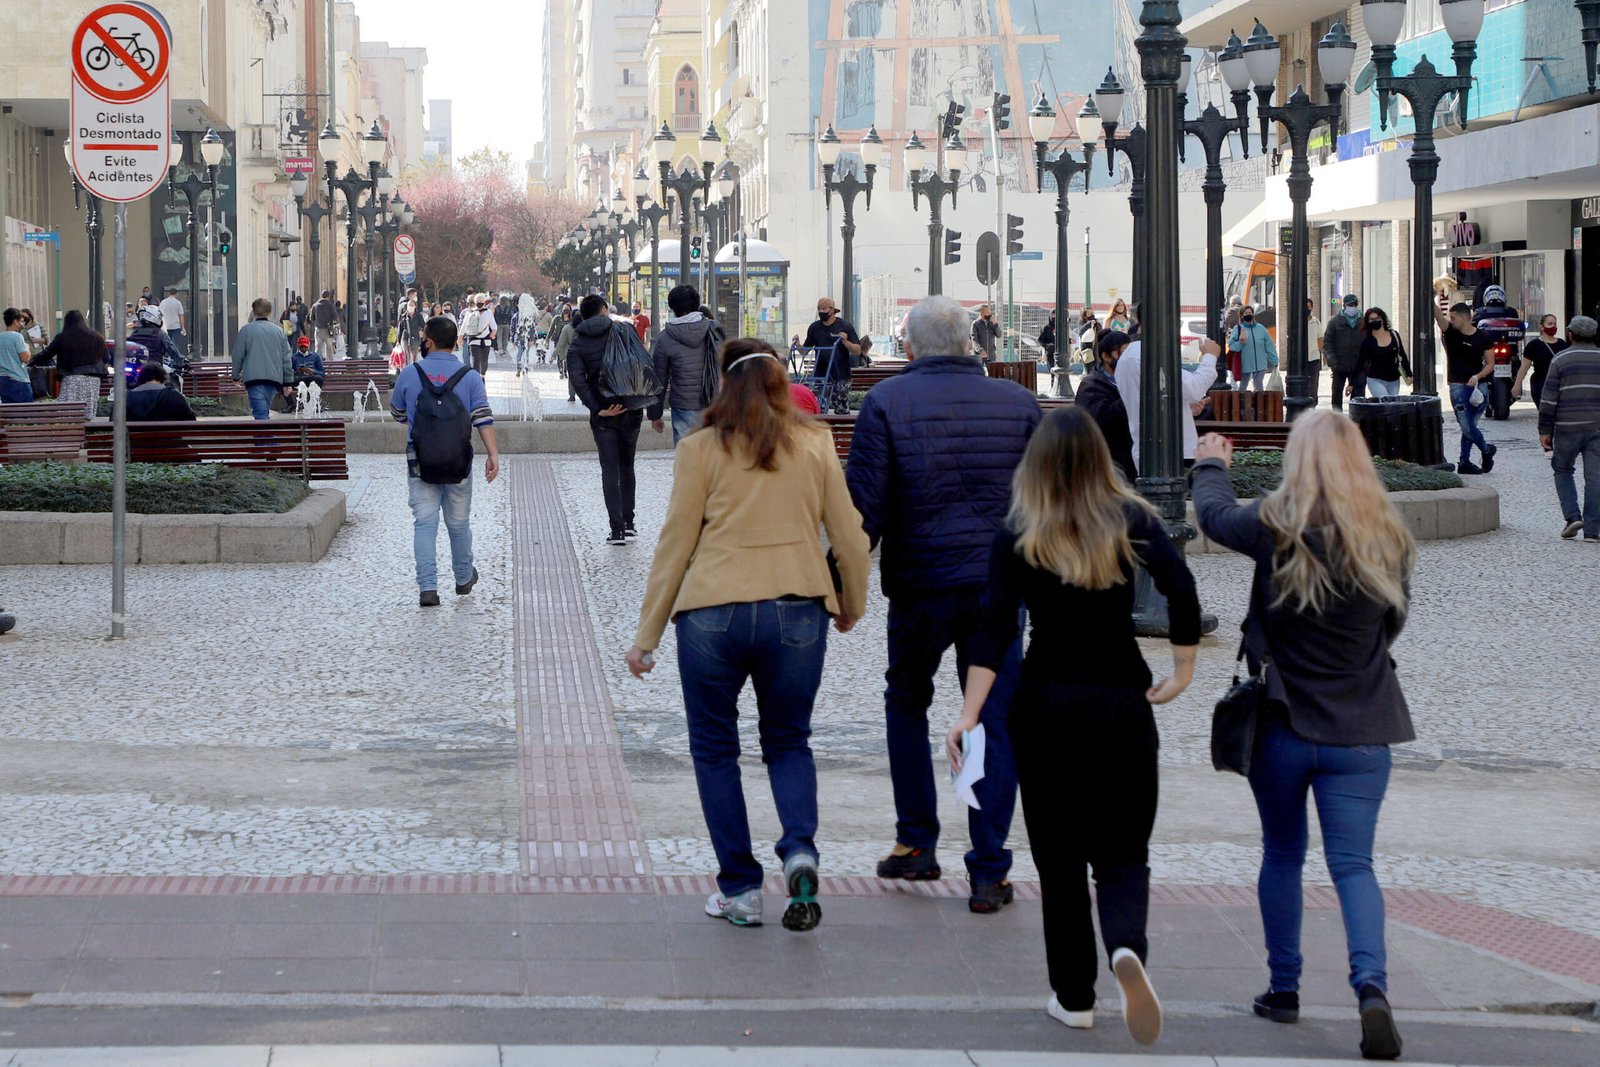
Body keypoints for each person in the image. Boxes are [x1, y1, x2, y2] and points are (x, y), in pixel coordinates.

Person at [948, 406, 1197, 1045]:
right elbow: (1181, 586)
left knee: (1059, 863)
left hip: (1045, 707)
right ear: (1098, 458)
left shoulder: (1018, 532)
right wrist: (1182, 669)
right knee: (1122, 852)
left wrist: (969, 714)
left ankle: (1075, 997)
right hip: (1121, 700)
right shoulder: (1132, 519)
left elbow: (994, 627)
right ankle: (1125, 946)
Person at [1193, 412, 1417, 1063]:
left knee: (1283, 853)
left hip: (1283, 724)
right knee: (1355, 865)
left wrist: (1212, 461)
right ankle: (1371, 986)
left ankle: (1284, 987)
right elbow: (1392, 624)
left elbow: (1210, 516)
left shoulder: (1274, 524)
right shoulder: (1389, 536)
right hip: (1361, 729)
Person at [626, 337, 871, 930]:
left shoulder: (700, 448)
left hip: (712, 611)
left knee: (715, 750)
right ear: (781, 385)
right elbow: (851, 535)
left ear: (724, 386)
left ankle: (739, 888)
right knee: (789, 741)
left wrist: (647, 635)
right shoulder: (814, 444)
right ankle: (801, 850)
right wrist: (849, 603)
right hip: (797, 610)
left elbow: (675, 544)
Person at [846, 295, 1039, 913]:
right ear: (969, 344)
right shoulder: (1017, 403)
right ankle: (988, 867)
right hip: (998, 589)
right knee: (992, 718)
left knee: (906, 701)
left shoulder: (886, 403)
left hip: (920, 584)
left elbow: (864, 511)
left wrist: (839, 586)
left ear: (909, 347)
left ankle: (915, 841)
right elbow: (1042, 503)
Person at [390, 315, 500, 607]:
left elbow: (397, 413)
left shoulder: (410, 374)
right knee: (459, 522)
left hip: (420, 458)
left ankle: (428, 587)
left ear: (428, 341)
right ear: (456, 342)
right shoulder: (471, 376)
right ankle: (463, 577)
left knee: (424, 523)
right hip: (458, 458)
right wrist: (493, 454)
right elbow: (483, 418)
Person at [568, 294, 664, 545]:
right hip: (630, 407)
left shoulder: (578, 343)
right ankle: (630, 522)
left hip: (604, 414)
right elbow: (642, 361)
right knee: (627, 465)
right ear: (603, 309)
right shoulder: (624, 330)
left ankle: (617, 530)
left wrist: (598, 407)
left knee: (609, 470)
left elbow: (578, 380)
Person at [1538, 315, 1600, 543]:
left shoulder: (1560, 360)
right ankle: (1593, 531)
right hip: (1597, 429)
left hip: (1567, 427)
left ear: (1571, 334)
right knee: (1595, 478)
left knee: (1563, 470)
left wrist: (1545, 430)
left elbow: (1549, 399)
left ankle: (1572, 517)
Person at [1115, 336, 1221, 468]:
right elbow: (1194, 388)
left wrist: (1183, 408)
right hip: (1172, 450)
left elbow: (1154, 398)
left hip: (1149, 449)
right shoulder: (1149, 354)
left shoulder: (1127, 357)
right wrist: (1210, 356)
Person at [651, 285, 724, 444]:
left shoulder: (665, 338)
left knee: (687, 456)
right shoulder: (714, 330)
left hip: (684, 405)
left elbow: (659, 379)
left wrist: (655, 415)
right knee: (713, 455)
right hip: (715, 402)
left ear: (672, 307)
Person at [1434, 299, 1498, 475]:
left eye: (1453, 318)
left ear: (1464, 318)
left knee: (1470, 425)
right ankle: (1486, 450)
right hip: (1458, 387)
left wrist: (1478, 376)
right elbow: (1438, 315)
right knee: (1467, 427)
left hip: (1479, 387)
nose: (1450, 320)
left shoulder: (1483, 336)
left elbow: (1491, 364)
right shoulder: (1451, 334)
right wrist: (1430, 294)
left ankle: (1464, 461)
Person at [1076, 330, 1136, 484]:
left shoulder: (1132, 378)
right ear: (1106, 356)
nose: (1128, 359)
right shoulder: (1091, 386)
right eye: (1122, 353)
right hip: (1107, 466)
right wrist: (1131, 397)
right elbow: (1100, 421)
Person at [35, 310, 108, 418]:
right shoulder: (96, 337)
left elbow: (47, 353)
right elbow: (106, 357)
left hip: (72, 377)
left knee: (67, 412)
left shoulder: (63, 337)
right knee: (87, 413)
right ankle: (84, 432)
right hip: (93, 379)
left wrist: (32, 362)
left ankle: (70, 432)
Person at [231, 298, 295, 420]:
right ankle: (265, 438)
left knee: (260, 416)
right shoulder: (279, 332)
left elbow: (237, 355)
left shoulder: (246, 330)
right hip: (273, 379)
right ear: (270, 312)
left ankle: (267, 439)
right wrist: (288, 382)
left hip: (253, 378)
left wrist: (235, 375)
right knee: (262, 412)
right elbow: (286, 358)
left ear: (253, 311)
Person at [1514, 313, 1568, 408]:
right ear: (1542, 327)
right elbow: (1524, 368)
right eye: (1550, 324)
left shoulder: (1562, 344)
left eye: (1555, 324)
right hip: (1540, 384)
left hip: (1559, 385)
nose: (1553, 326)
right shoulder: (1533, 345)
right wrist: (1517, 385)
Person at [1355, 309, 1410, 399]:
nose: (1375, 321)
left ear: (1383, 319)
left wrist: (1409, 374)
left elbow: (1402, 355)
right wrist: (1352, 383)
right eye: (1371, 319)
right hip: (1375, 379)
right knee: (1385, 402)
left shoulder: (1394, 335)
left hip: (1394, 379)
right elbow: (1360, 362)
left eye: (1377, 318)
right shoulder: (1367, 341)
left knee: (1391, 407)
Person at [1323, 294, 1364, 412]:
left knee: (1358, 395)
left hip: (1358, 366)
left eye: (1355, 304)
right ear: (1344, 306)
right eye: (1350, 305)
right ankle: (1337, 419)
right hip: (1339, 365)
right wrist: (1332, 362)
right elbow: (1328, 343)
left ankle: (1356, 419)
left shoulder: (1363, 321)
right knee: (1337, 393)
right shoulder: (1334, 322)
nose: (1353, 307)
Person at [1228, 305, 1279, 391]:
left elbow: (1269, 345)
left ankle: (1260, 403)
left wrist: (1274, 360)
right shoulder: (1238, 329)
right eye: (1246, 313)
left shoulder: (1261, 328)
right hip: (1245, 363)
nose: (1248, 314)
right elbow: (1231, 345)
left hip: (1261, 363)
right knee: (1243, 386)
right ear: (1241, 316)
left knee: (1258, 383)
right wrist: (1240, 343)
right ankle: (1242, 402)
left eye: (1250, 313)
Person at [126, 362, 196, 421]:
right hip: (169, 436)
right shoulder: (173, 395)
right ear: (163, 378)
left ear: (140, 379)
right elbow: (190, 418)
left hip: (136, 436)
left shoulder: (127, 397)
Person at [802, 297, 861, 368]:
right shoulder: (814, 328)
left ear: (832, 310)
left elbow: (857, 351)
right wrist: (797, 344)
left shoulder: (845, 326)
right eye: (819, 309)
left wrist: (846, 342)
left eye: (824, 309)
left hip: (841, 374)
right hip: (821, 374)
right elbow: (804, 352)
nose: (821, 312)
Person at [0, 308, 32, 403]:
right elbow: (25, 358)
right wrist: (27, 348)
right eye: (21, 321)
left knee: (8, 413)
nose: (22, 324)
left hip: (2, 379)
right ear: (15, 321)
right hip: (18, 379)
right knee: (24, 412)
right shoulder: (17, 336)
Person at [311, 290, 338, 360]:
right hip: (328, 330)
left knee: (318, 348)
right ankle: (330, 365)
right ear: (328, 296)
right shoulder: (331, 305)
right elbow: (335, 316)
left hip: (318, 329)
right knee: (329, 348)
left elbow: (311, 318)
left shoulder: (315, 305)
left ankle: (318, 364)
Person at [159, 286, 187, 357]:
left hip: (165, 326)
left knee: (166, 343)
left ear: (169, 293)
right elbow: (181, 315)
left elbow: (159, 314)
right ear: (176, 294)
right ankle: (174, 358)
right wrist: (183, 327)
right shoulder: (178, 303)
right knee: (175, 344)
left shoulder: (163, 302)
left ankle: (166, 357)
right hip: (175, 326)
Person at [1306, 298, 1324, 405]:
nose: (1307, 309)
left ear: (1312, 308)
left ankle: (1313, 403)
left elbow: (1320, 338)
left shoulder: (1316, 322)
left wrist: (1322, 353)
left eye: (1308, 307)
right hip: (1301, 359)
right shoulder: (1297, 321)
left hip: (1314, 357)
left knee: (1313, 383)